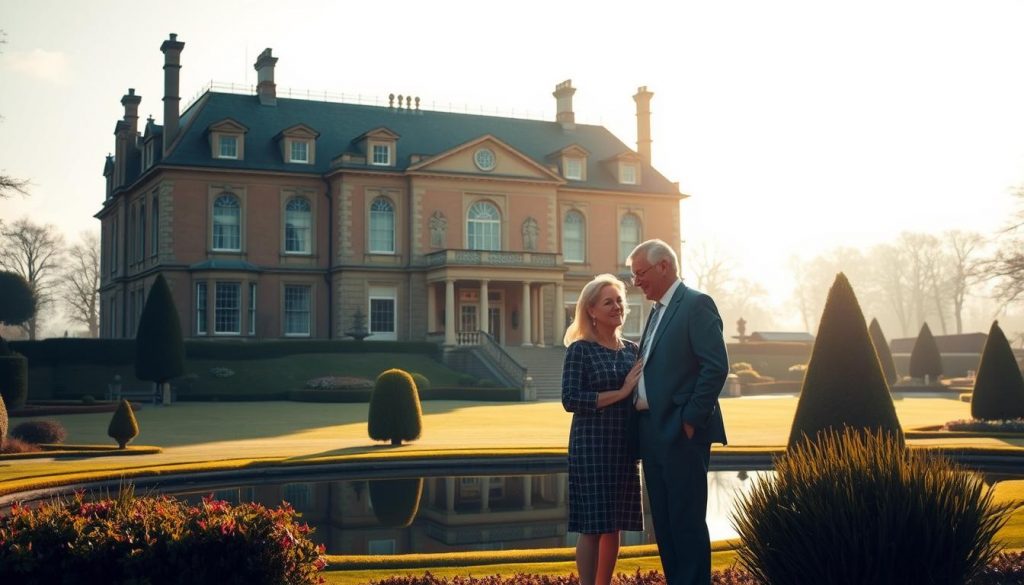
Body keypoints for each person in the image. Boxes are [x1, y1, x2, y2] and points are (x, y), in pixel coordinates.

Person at [627, 239, 729, 585]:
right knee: (665, 524)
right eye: (634, 275)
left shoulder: (696, 304)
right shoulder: (657, 311)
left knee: (685, 523)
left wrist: (690, 420)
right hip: (651, 431)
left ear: (664, 267)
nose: (636, 282)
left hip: (681, 431)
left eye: (640, 273)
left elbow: (715, 367)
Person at [561, 273, 645, 585]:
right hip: (591, 447)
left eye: (619, 301)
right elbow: (570, 399)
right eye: (608, 302)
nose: (616, 306)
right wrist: (621, 392)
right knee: (593, 526)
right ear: (591, 310)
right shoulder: (579, 350)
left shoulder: (632, 350)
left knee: (614, 524)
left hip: (623, 447)